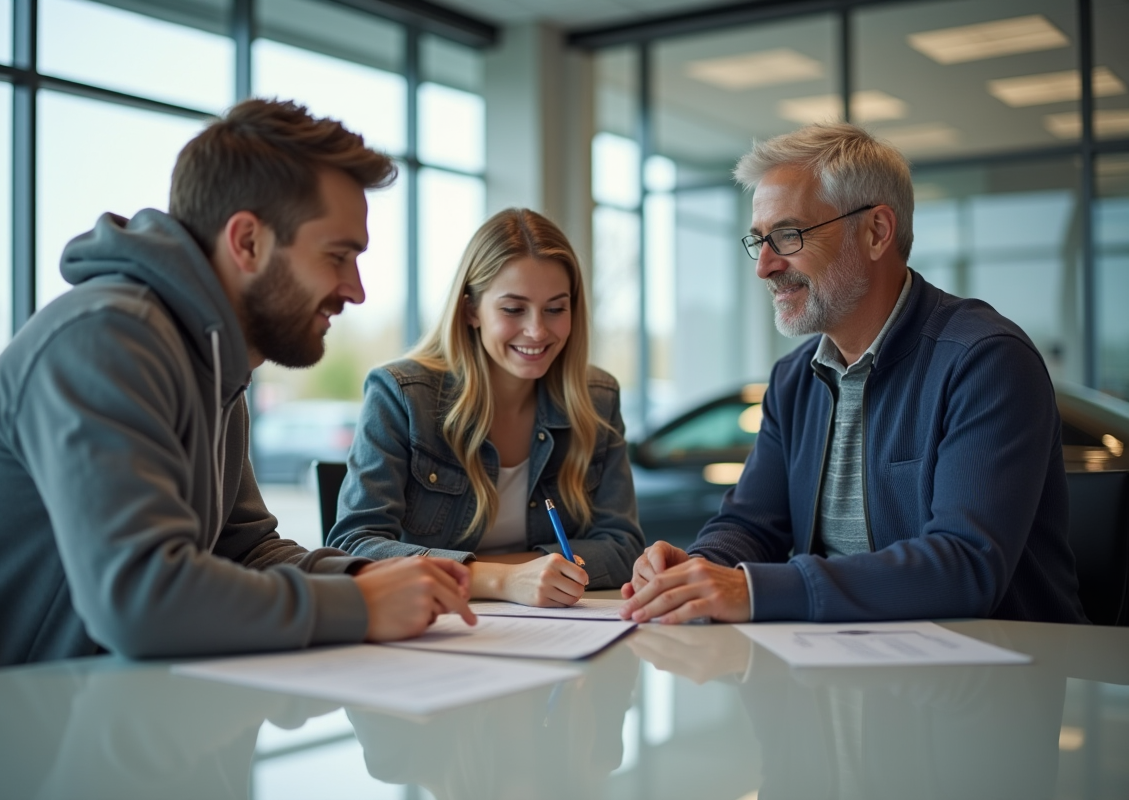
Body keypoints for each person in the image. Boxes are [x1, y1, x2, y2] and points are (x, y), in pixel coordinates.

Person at [0, 99, 476, 676]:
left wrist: (366, 576)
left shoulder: (215, 360)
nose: (356, 289)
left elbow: (245, 550)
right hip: (11, 727)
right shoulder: (107, 340)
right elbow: (139, 598)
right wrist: (360, 606)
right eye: (338, 255)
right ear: (247, 242)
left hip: (118, 713)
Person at [620, 122, 1086, 625]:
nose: (765, 266)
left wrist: (752, 589)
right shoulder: (793, 379)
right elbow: (752, 524)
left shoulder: (984, 360)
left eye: (789, 234)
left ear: (876, 232)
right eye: (760, 240)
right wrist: (697, 568)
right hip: (840, 667)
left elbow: (964, 568)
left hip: (995, 676)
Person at [328, 208, 644, 606]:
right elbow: (354, 546)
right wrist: (500, 579)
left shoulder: (597, 397)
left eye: (555, 308)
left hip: (554, 628)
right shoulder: (402, 394)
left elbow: (623, 545)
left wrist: (535, 573)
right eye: (513, 309)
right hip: (434, 628)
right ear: (471, 310)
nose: (537, 330)